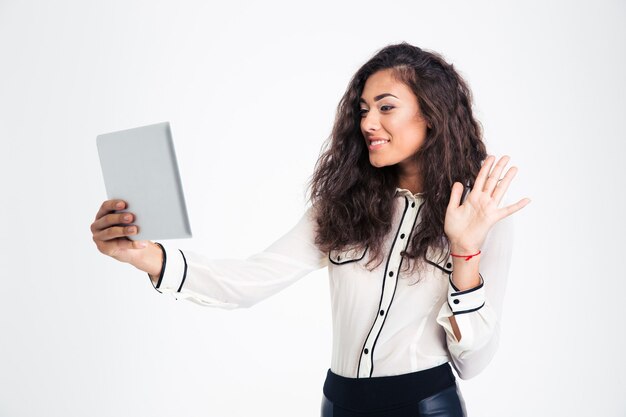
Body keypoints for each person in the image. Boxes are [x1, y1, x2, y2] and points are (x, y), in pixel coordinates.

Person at [90, 42, 530, 416]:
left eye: (386, 107)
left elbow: (473, 361)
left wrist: (465, 251)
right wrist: (146, 257)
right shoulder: (342, 207)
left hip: (424, 406)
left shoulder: (479, 214)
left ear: (431, 114)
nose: (368, 123)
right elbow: (252, 278)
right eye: (363, 109)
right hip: (339, 403)